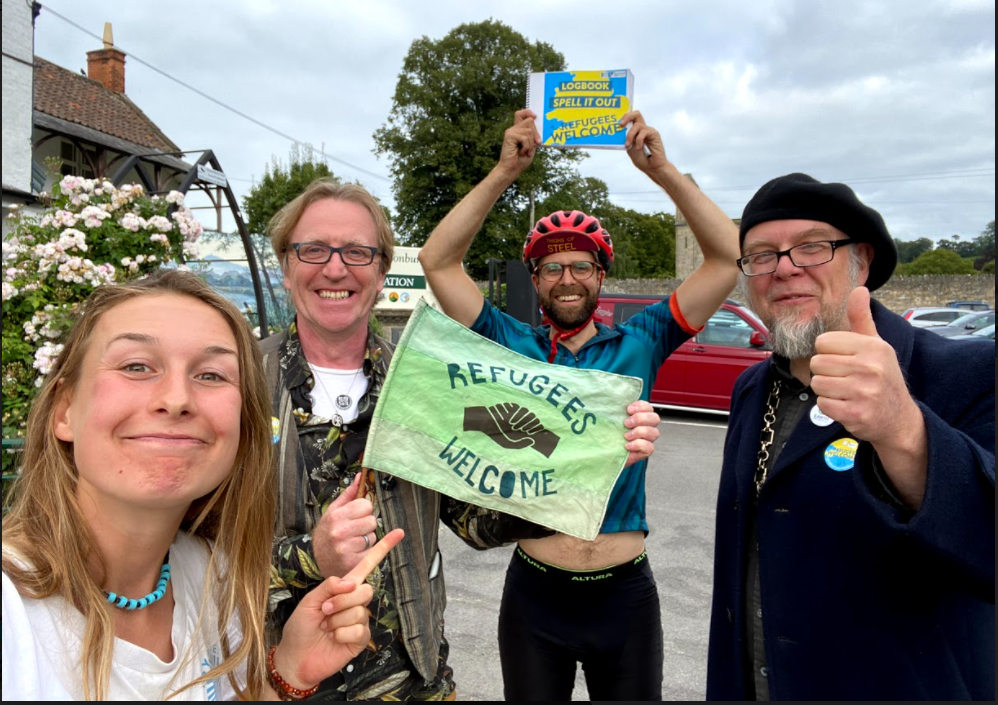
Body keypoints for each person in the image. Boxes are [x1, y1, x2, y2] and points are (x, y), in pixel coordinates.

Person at [262, 180, 663, 700]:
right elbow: (187, 556)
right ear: (285, 263)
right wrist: (313, 555)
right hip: (280, 683)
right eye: (313, 249)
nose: (336, 268)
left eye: (357, 252)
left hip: (417, 684)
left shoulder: (420, 376)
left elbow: (472, 518)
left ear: (381, 270)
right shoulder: (239, 382)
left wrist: (590, 459)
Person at [418, 109, 741, 700]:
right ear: (535, 279)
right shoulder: (508, 343)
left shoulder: (640, 341)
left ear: (600, 275)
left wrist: (663, 171)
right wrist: (503, 171)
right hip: (535, 593)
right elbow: (437, 261)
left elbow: (725, 260)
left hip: (625, 594)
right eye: (552, 267)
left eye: (582, 265)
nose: (568, 277)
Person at [1, 269, 401, 701]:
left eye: (211, 375)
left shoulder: (212, 577)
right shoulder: (12, 613)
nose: (176, 399)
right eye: (136, 366)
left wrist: (287, 670)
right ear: (64, 410)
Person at [706, 173, 995, 700]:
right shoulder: (752, 389)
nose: (785, 268)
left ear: (861, 260)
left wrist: (905, 430)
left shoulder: (969, 373)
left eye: (812, 247)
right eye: (762, 255)